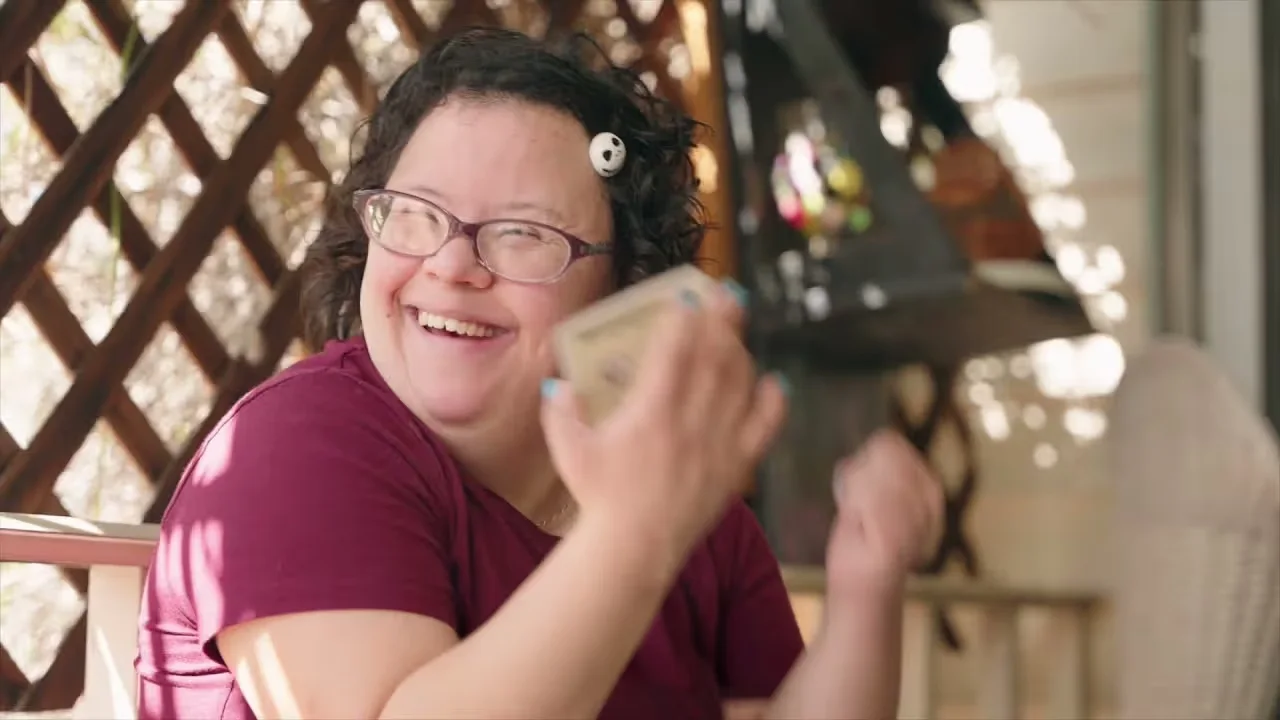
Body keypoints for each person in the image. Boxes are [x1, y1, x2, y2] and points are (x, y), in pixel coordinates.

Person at [135, 27, 942, 720]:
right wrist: (636, 535)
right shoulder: (297, 449)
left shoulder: (676, 496)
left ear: (622, 285)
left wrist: (867, 581)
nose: (452, 265)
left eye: (523, 234)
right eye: (416, 215)